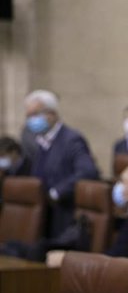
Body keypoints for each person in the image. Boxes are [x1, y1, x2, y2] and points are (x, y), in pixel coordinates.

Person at [25, 89, 100, 239]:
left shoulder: (71, 139)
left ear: (51, 114)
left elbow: (88, 171)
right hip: (44, 213)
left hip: (64, 213)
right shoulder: (39, 141)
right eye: (29, 116)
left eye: (35, 114)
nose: (31, 120)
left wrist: (56, 192)